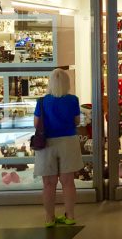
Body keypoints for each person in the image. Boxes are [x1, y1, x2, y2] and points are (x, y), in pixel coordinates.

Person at [34, 68, 83, 227]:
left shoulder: (42, 101)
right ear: (67, 83)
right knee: (68, 182)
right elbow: (76, 121)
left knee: (48, 183)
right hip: (69, 142)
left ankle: (49, 218)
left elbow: (36, 123)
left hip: (47, 143)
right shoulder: (73, 100)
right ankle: (70, 216)